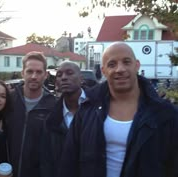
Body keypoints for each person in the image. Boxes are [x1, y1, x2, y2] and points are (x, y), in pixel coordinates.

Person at [59, 42, 178, 177]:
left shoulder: (165, 114)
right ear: (103, 71)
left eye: (126, 62)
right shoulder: (87, 111)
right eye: (112, 64)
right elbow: (69, 161)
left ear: (136, 65)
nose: (120, 69)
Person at [6, 51, 57, 177]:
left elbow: (55, 147)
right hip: (7, 172)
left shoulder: (54, 106)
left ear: (45, 75)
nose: (34, 76)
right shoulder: (8, 101)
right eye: (29, 71)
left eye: (39, 72)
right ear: (23, 73)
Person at [40, 61, 87, 177]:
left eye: (70, 73)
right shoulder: (51, 118)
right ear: (56, 83)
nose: (64, 78)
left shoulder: (98, 107)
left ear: (81, 79)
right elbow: (47, 160)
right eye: (59, 75)